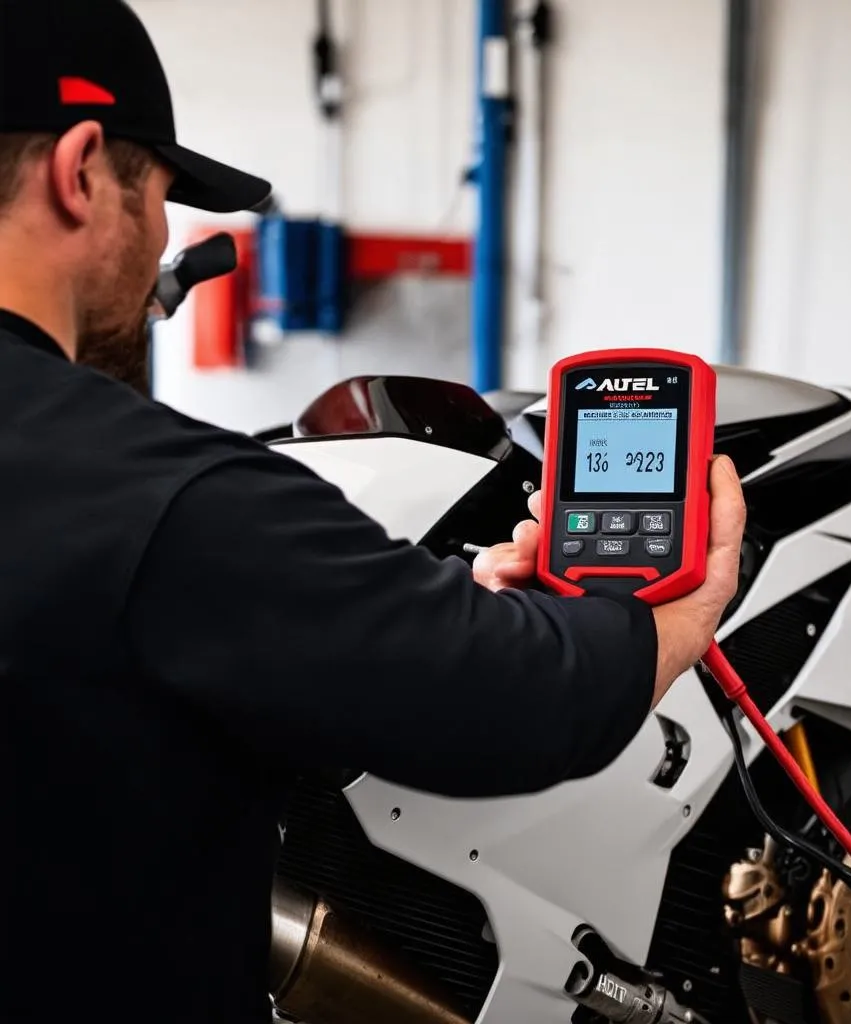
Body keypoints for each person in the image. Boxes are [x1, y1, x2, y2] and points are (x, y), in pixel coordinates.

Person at [0, 1, 746, 1022]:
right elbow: (509, 698)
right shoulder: (163, 496)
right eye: (162, 195)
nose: (167, 238)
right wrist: (672, 612)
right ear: (81, 171)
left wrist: (422, 609)